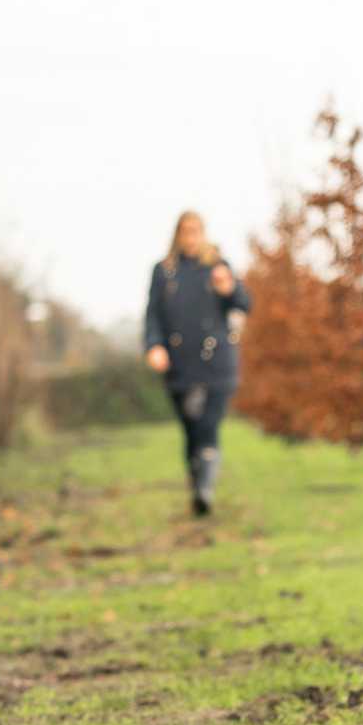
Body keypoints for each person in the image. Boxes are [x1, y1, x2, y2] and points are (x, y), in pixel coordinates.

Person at [144, 211, 251, 517]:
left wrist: (228, 288)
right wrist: (154, 346)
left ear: (203, 233)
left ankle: (204, 490)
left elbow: (245, 304)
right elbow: (152, 314)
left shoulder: (217, 267)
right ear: (177, 234)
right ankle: (197, 484)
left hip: (217, 362)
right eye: (185, 231)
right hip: (180, 363)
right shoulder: (164, 272)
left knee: (208, 425)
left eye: (196, 231)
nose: (190, 237)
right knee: (191, 429)